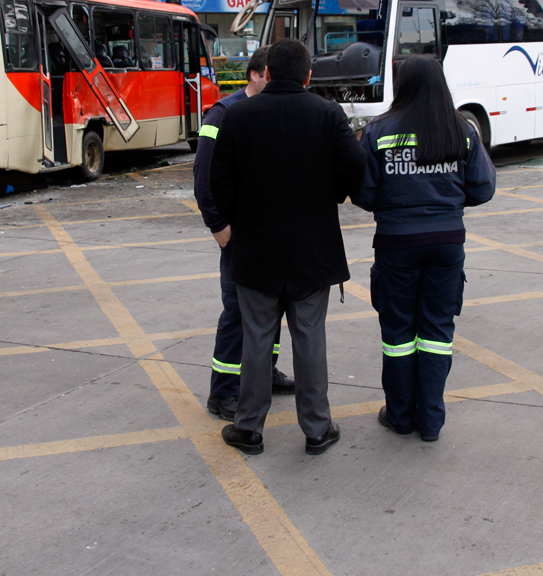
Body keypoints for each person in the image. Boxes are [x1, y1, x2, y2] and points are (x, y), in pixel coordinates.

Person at [210, 39, 366, 456]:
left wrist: (237, 220)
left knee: (257, 339)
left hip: (255, 250)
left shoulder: (239, 115)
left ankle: (248, 429)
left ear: (269, 72)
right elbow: (354, 166)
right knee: (309, 338)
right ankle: (317, 430)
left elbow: (218, 181)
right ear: (308, 75)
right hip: (313, 251)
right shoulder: (328, 114)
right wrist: (327, 194)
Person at [351, 55, 496, 442]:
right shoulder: (461, 130)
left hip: (397, 243)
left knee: (398, 332)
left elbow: (363, 193)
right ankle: (430, 421)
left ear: (403, 85)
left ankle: (399, 417)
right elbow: (483, 188)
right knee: (437, 331)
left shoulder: (378, 131)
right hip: (448, 242)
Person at [193, 45, 295, 423]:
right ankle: (223, 391)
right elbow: (204, 181)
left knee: (271, 309)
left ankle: (264, 374)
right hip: (238, 238)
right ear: (257, 73)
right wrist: (221, 230)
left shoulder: (270, 110)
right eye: (273, 75)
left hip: (268, 235)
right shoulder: (222, 114)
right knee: (237, 313)